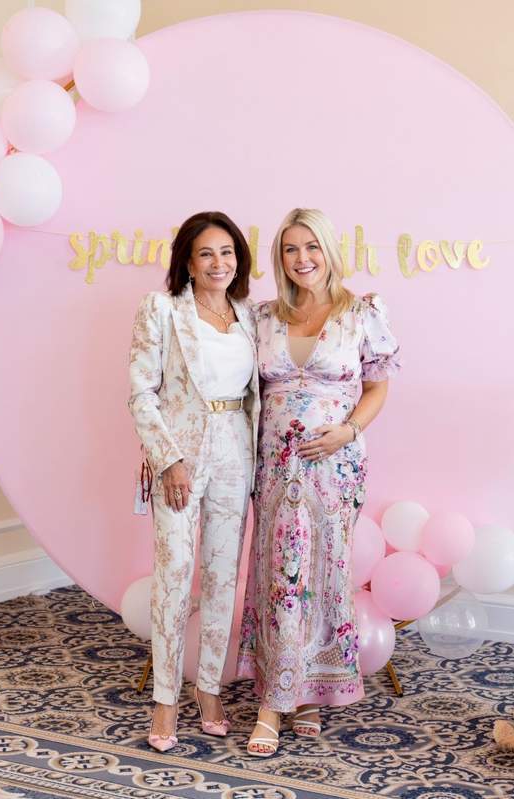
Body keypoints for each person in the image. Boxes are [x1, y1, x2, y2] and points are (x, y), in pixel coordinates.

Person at [238, 208, 400, 756]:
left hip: (335, 466)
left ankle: (305, 692)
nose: (301, 258)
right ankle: (276, 697)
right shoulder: (263, 317)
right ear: (279, 257)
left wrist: (348, 431)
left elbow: (378, 387)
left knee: (323, 571)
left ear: (329, 251)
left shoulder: (362, 313)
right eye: (290, 248)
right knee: (280, 572)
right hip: (275, 466)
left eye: (311, 246)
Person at [129, 211, 259, 751]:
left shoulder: (250, 315)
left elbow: (256, 395)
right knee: (175, 574)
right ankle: (165, 699)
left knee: (222, 577)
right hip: (180, 458)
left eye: (227, 252)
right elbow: (141, 392)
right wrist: (168, 460)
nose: (218, 263)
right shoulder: (161, 310)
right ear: (187, 261)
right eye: (206, 253)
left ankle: (209, 689)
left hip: (236, 453)